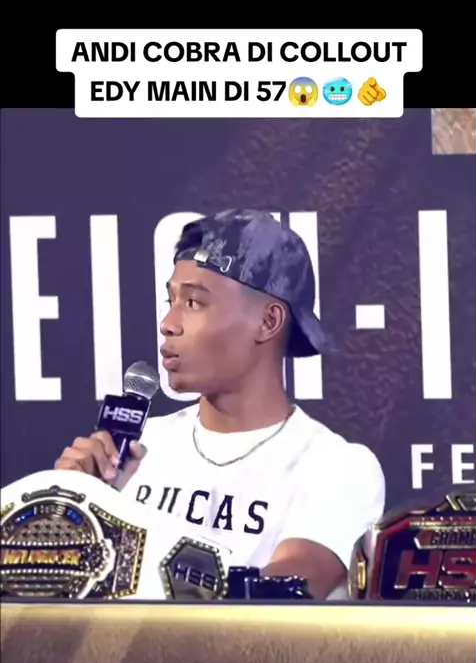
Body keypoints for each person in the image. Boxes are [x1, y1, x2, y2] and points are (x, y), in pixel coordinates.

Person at [55, 209, 386, 600]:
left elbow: (281, 599)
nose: (168, 323)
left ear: (268, 321)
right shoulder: (133, 451)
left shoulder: (337, 467)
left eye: (194, 303)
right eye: (171, 300)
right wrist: (69, 510)